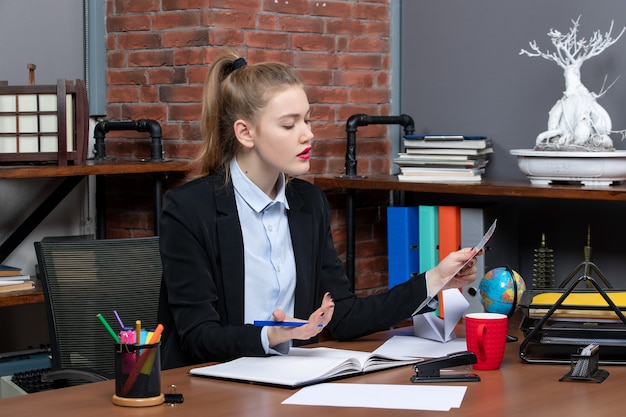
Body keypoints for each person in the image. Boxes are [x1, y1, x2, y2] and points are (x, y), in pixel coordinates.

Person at [157, 50, 482, 370]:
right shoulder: (188, 209)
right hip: (211, 387)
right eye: (289, 124)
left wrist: (436, 279)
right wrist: (269, 335)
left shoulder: (308, 203)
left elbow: (343, 315)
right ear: (245, 132)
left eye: (307, 119)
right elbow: (197, 336)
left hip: (292, 381)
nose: (308, 134)